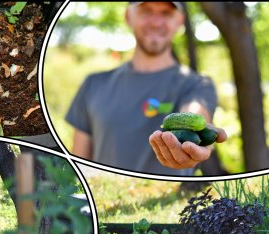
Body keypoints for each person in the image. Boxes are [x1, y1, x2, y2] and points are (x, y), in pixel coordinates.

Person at [65, 1, 227, 175]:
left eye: (166, 13)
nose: (156, 22)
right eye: (146, 11)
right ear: (128, 16)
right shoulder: (93, 84)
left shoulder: (197, 85)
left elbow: (196, 112)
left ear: (179, 21)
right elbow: (78, 164)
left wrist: (199, 140)